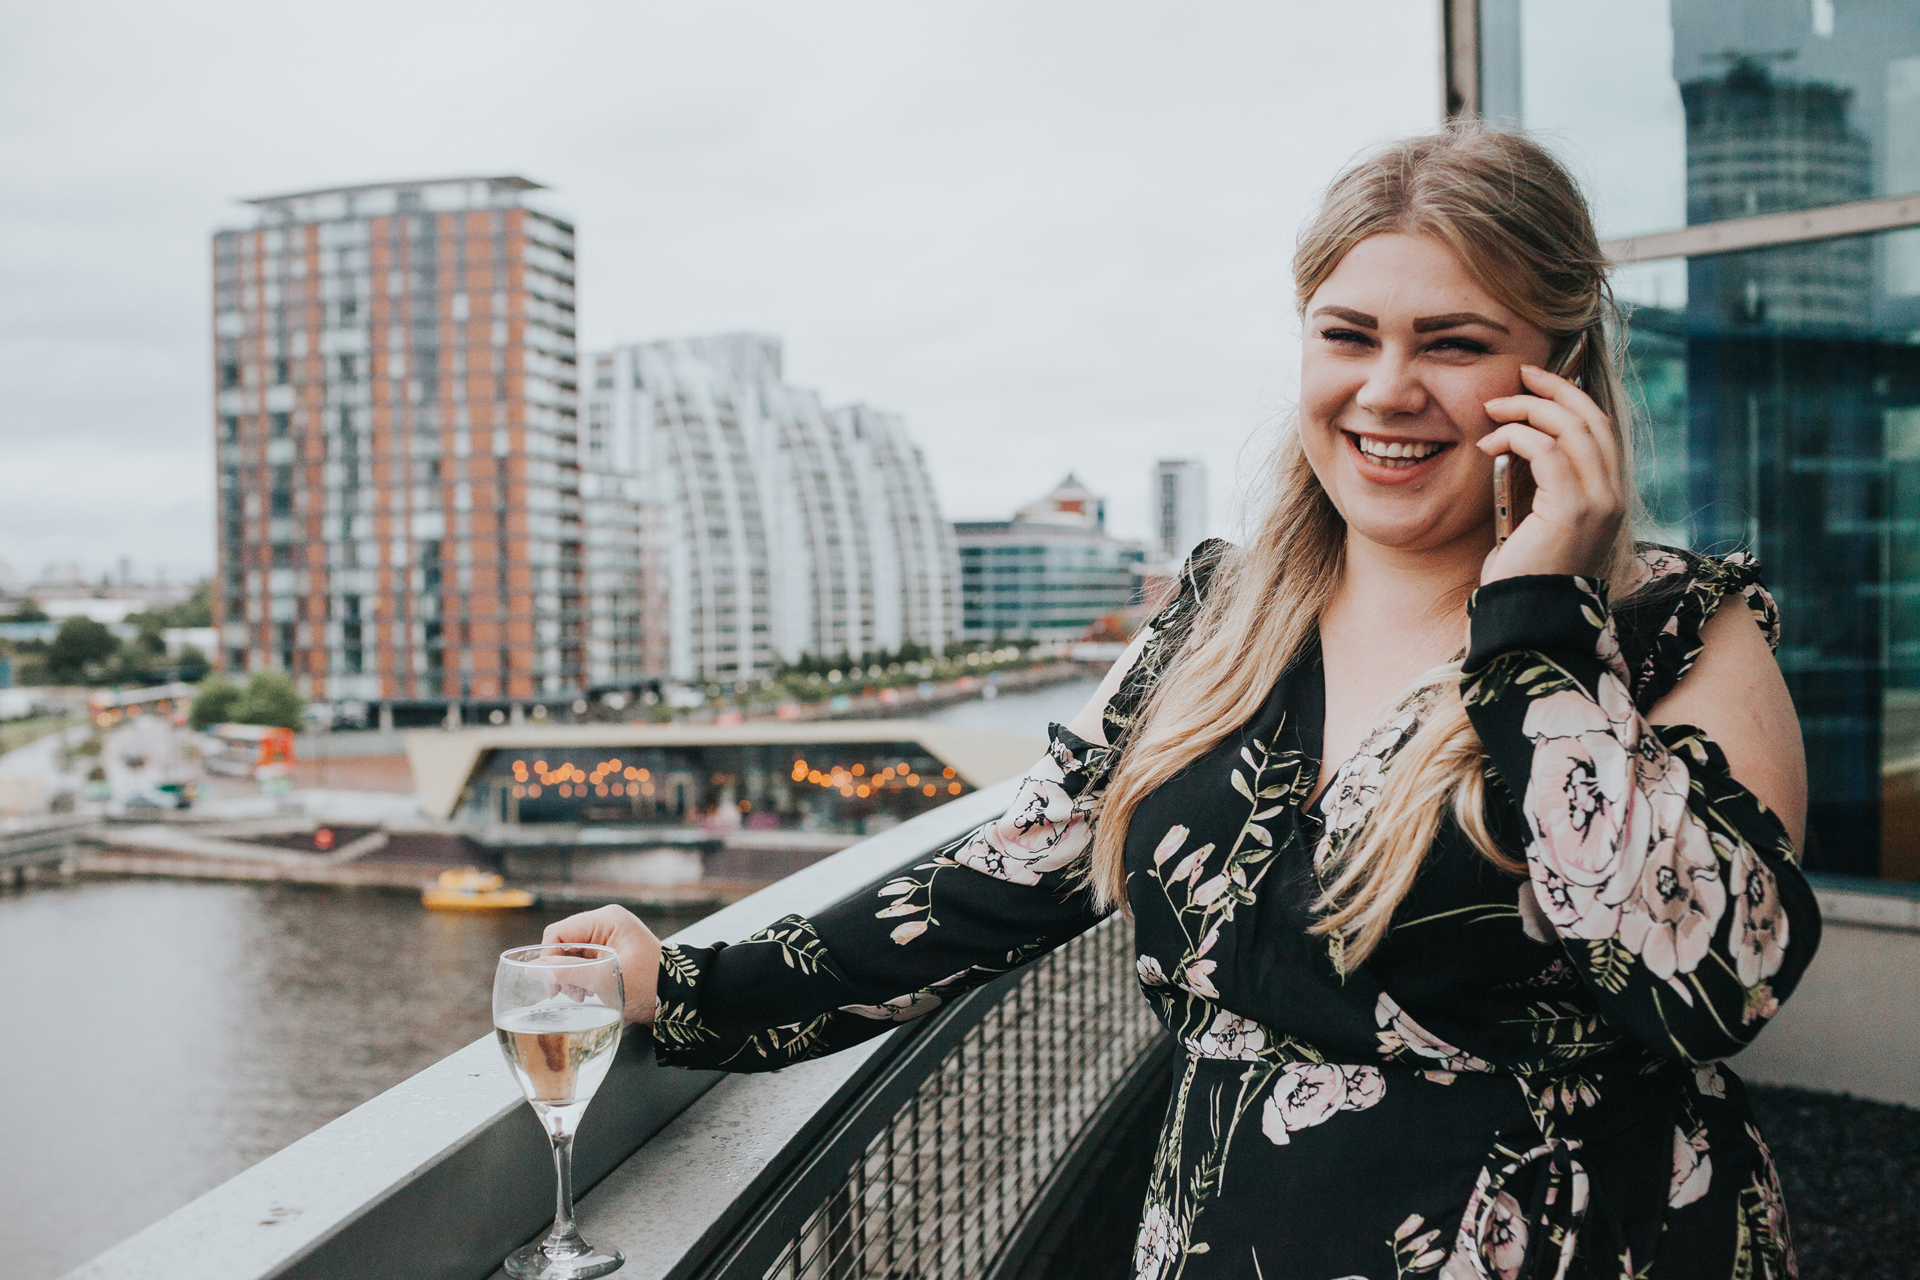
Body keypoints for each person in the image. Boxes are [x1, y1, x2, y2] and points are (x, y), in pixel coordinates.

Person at [546, 123, 1819, 1279]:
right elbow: (991, 885)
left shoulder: (1672, 632)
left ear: (1561, 368)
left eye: (1455, 341)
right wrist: (691, 984)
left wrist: (1538, 623)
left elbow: (1716, 982)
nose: (1385, 390)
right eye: (1347, 333)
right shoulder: (1219, 623)